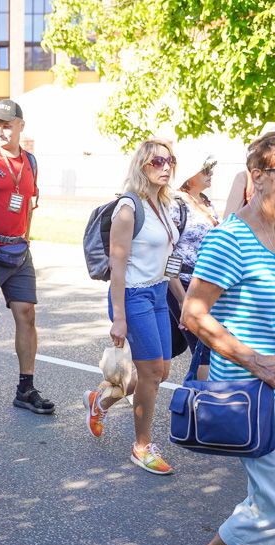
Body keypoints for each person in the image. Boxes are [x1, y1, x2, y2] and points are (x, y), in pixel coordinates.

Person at [174, 130, 275, 545]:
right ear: (256, 176)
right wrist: (253, 359)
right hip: (252, 392)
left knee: (265, 503)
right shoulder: (232, 238)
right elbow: (193, 314)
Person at [83, 138, 184, 475]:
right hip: (134, 297)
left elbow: (168, 260)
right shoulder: (128, 208)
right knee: (153, 374)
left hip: (157, 295)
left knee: (160, 372)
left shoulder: (164, 205)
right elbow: (118, 266)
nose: (166, 166)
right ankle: (142, 446)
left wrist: (182, 302)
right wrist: (119, 318)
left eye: (170, 160)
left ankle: (101, 400)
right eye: (157, 162)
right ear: (142, 165)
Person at [0, 99, 52, 414]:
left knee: (27, 315)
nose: (2, 130)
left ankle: (25, 387)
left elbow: (29, 204)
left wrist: (26, 238)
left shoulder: (30, 162)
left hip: (19, 251)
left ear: (21, 124)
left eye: (8, 124)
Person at [167, 153, 219, 380]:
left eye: (212, 169)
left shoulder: (205, 201)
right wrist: (180, 297)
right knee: (205, 351)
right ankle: (198, 408)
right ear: (190, 173)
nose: (211, 174)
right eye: (205, 169)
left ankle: (102, 398)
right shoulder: (175, 203)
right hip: (183, 285)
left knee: (162, 357)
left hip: (205, 285)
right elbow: (168, 254)